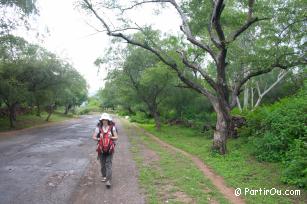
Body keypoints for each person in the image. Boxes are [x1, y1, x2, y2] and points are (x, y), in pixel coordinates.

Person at [92, 113, 118, 188]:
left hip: (110, 148)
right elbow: (93, 137)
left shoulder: (112, 128)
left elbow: (116, 137)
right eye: (103, 120)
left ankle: (108, 180)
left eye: (106, 120)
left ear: (108, 120)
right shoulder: (98, 128)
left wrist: (111, 137)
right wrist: (98, 138)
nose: (105, 121)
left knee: (108, 164)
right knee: (102, 165)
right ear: (101, 120)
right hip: (101, 149)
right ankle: (104, 176)